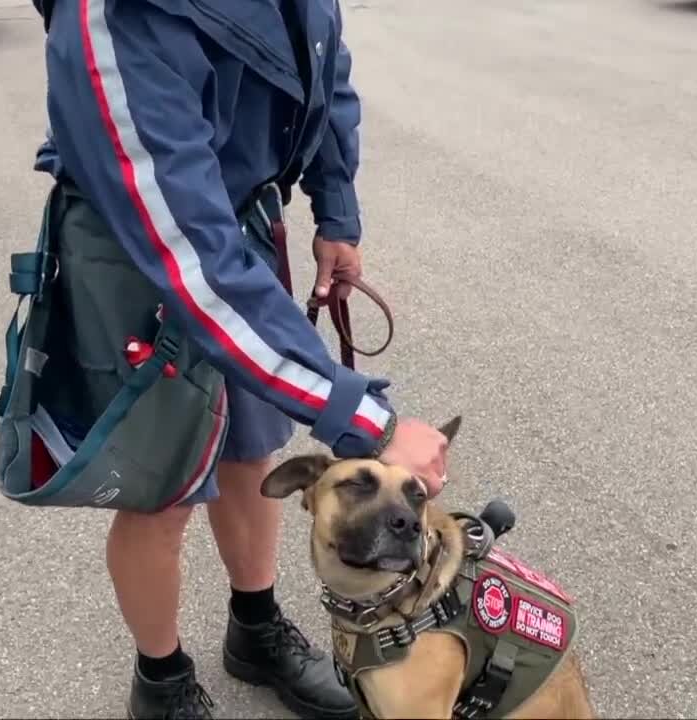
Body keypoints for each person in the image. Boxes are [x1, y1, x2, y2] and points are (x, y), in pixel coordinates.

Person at [30, 0, 451, 717]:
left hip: (240, 232)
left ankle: (254, 629)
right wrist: (367, 422)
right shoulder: (112, 13)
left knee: (251, 447)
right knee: (160, 486)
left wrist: (336, 209)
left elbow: (322, 62)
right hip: (141, 246)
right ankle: (160, 681)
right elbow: (186, 249)